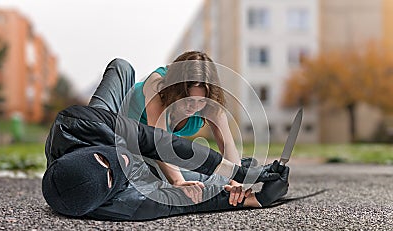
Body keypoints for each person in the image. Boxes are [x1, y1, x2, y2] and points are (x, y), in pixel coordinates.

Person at [42, 58, 290, 221]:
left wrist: (237, 171)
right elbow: (181, 203)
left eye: (104, 160)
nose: (123, 162)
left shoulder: (74, 124)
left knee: (122, 66)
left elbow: (156, 141)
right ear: (109, 196)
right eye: (112, 176)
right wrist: (253, 199)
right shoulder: (129, 205)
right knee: (201, 182)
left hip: (108, 129)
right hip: (142, 170)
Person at [97, 51, 242, 190]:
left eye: (200, 101)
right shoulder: (158, 86)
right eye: (188, 99)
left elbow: (227, 144)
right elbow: (159, 140)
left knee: (211, 178)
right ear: (175, 90)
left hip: (141, 150)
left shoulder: (210, 103)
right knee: (122, 66)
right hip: (114, 122)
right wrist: (178, 181)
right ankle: (87, 134)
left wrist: (237, 182)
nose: (194, 107)